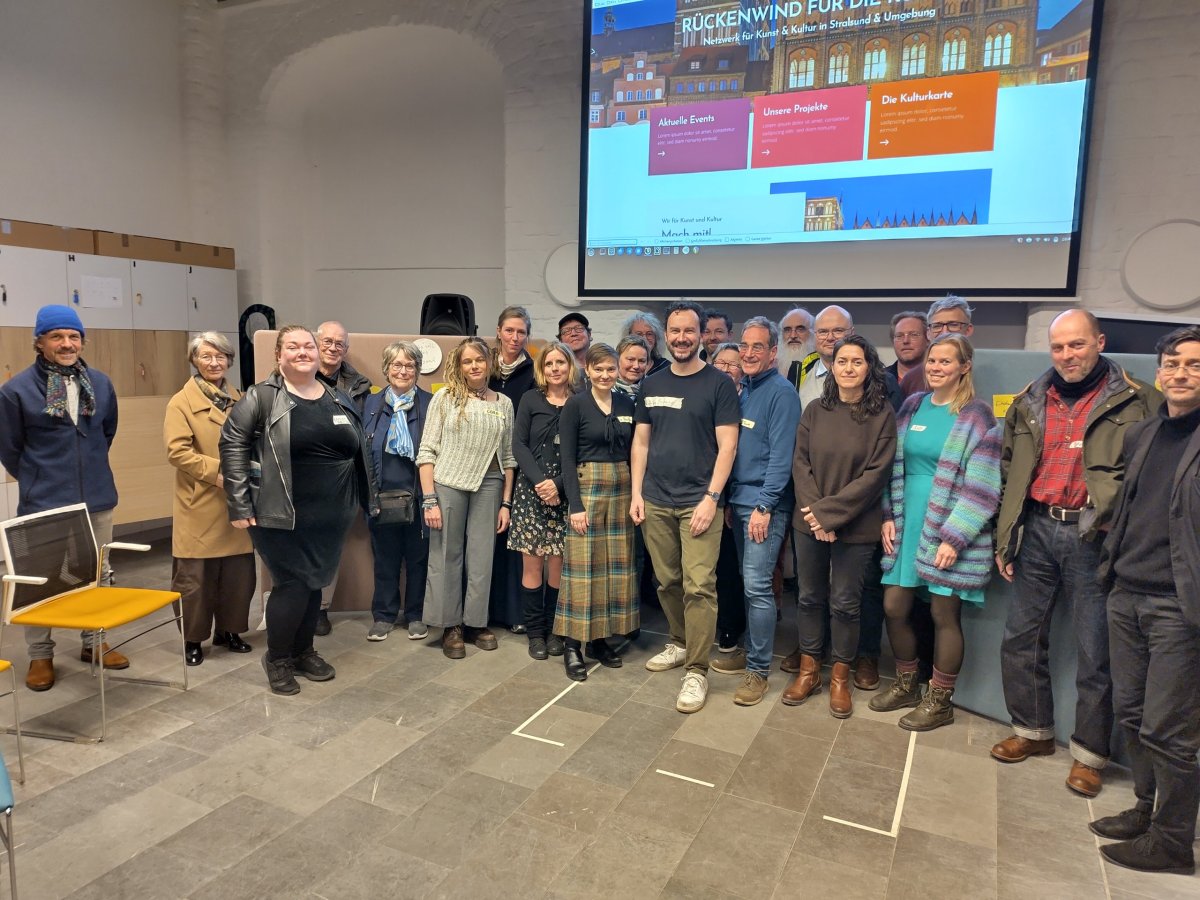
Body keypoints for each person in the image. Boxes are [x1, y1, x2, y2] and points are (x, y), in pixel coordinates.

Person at [990, 309, 1159, 798]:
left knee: (1095, 651)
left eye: (1077, 344)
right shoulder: (1029, 399)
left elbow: (1151, 477)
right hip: (1037, 528)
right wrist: (1007, 534)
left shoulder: (1140, 400)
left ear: (1099, 342)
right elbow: (1009, 469)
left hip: (1094, 538)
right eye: (1059, 346)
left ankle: (1089, 756)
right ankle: (1032, 731)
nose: (1067, 355)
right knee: (1021, 639)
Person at [1093, 326, 1200, 875]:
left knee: (1170, 730)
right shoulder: (1144, 433)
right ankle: (1145, 808)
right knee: (1131, 714)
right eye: (1172, 363)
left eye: (1194, 364)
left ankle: (1174, 841)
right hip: (1127, 592)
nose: (1180, 373)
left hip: (1179, 607)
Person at [220, 325, 372, 695]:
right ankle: (278, 658)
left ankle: (304, 652)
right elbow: (232, 444)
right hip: (280, 512)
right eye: (293, 347)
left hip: (330, 515)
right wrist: (238, 502)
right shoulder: (262, 397)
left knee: (314, 583)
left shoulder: (337, 397)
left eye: (308, 346)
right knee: (292, 585)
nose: (303, 352)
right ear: (279, 355)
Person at [871, 335, 1001, 730]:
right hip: (907, 523)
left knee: (944, 613)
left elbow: (983, 488)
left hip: (949, 529)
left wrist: (954, 537)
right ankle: (908, 684)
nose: (936, 367)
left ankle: (940, 701)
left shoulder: (977, 416)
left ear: (965, 366)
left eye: (946, 361)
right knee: (894, 606)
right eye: (932, 361)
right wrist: (888, 514)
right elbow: (893, 466)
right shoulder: (913, 405)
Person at [0, 304, 129, 691]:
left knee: (99, 573)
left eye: (74, 336)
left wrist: (87, 469)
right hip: (44, 501)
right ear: (39, 342)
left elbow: (106, 433)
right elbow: (9, 447)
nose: (67, 344)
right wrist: (40, 477)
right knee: (40, 581)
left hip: (97, 497)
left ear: (82, 342)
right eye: (56, 336)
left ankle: (95, 641)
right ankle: (40, 654)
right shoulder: (16, 391)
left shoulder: (100, 384)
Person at [632, 300, 740, 714]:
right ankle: (679, 642)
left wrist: (712, 499)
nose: (681, 338)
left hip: (699, 503)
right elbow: (641, 442)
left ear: (700, 335)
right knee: (667, 581)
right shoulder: (652, 382)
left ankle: (696, 669)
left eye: (689, 331)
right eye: (675, 331)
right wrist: (637, 493)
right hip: (656, 500)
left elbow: (728, 446)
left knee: (699, 586)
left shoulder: (719, 384)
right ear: (666, 335)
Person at [783, 335, 896, 718]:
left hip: (856, 525)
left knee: (846, 604)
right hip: (809, 521)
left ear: (869, 368)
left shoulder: (882, 415)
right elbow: (800, 464)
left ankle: (839, 679)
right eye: (842, 361)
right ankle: (809, 671)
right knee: (809, 598)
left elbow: (876, 475)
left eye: (857, 362)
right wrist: (817, 515)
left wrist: (830, 515)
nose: (848, 368)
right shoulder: (815, 410)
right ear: (832, 367)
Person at [712, 318, 800, 707]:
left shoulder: (781, 393)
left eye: (757, 347)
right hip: (741, 501)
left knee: (759, 586)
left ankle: (758, 671)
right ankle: (751, 652)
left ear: (773, 352)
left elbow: (782, 456)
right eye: (744, 346)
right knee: (749, 585)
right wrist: (733, 500)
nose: (748, 353)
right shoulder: (745, 389)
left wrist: (764, 506)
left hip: (764, 505)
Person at [416, 337, 517, 659]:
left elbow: (509, 457)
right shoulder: (445, 398)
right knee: (446, 554)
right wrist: (429, 499)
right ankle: (450, 626)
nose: (474, 366)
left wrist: (506, 502)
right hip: (448, 483)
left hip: (490, 484)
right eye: (467, 361)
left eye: (479, 360)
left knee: (482, 556)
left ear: (490, 363)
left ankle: (475, 623)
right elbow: (427, 451)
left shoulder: (503, 403)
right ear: (459, 366)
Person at [164, 332, 256, 666]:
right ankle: (193, 639)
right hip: (201, 500)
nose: (214, 363)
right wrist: (219, 473)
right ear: (194, 360)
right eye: (206, 356)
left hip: (237, 500)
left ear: (229, 360)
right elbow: (177, 452)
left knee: (237, 575)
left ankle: (230, 631)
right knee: (195, 579)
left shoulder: (242, 399)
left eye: (220, 356)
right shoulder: (180, 402)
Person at [557, 344, 638, 681]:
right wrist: (575, 505)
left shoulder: (627, 403)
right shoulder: (575, 405)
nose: (605, 375)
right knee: (583, 569)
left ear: (618, 370)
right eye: (599, 369)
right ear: (587, 370)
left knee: (613, 567)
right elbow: (567, 458)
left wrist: (636, 496)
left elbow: (635, 450)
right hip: (587, 488)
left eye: (611, 369)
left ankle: (600, 639)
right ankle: (572, 645)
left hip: (621, 488)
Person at [509, 342, 581, 660]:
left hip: (565, 492)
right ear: (542, 369)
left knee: (557, 565)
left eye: (560, 362)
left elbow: (582, 451)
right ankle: (535, 633)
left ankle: (554, 631)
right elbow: (519, 445)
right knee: (533, 564)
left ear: (570, 366)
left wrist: (559, 485)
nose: (555, 368)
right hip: (532, 490)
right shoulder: (530, 399)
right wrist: (541, 483)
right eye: (549, 363)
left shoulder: (580, 401)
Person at [360, 341, 432, 641]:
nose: (403, 371)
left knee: (418, 561)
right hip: (381, 498)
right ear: (386, 369)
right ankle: (384, 616)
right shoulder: (371, 404)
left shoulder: (431, 404)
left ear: (417, 370)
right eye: (397, 365)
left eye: (410, 365)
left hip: (420, 499)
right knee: (385, 561)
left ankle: (416, 615)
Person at [313, 320, 372, 636]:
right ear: (316, 342)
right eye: (327, 341)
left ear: (346, 349)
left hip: (342, 478)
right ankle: (298, 604)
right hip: (303, 476)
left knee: (331, 543)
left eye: (339, 343)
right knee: (298, 545)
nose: (333, 348)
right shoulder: (294, 378)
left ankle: (320, 607)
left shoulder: (358, 386)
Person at [488, 306, 536, 634]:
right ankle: (486, 611)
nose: (515, 337)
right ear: (499, 331)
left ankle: (515, 612)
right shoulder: (484, 366)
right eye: (510, 330)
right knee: (487, 537)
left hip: (520, 463)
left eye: (521, 332)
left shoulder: (534, 373)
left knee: (515, 540)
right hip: (485, 463)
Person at [708, 343, 747, 657]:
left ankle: (731, 625)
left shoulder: (748, 400)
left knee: (730, 567)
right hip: (706, 491)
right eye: (720, 362)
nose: (725, 368)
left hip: (737, 494)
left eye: (733, 364)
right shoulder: (705, 395)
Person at [899, 296, 975, 397]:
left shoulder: (987, 374)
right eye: (937, 326)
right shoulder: (911, 380)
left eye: (953, 325)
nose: (945, 332)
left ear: (968, 330)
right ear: (928, 333)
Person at [778, 306, 818, 392]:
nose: (793, 336)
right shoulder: (772, 368)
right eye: (787, 330)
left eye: (800, 329)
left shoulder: (822, 367)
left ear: (813, 333)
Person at [619, 311, 670, 376]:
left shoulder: (665, 368)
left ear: (656, 337)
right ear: (628, 336)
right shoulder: (617, 366)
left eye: (649, 334)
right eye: (639, 334)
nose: (644, 338)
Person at [886, 311, 929, 383]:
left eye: (914, 335)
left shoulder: (938, 379)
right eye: (899, 336)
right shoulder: (877, 379)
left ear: (927, 339)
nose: (905, 341)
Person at [615, 335, 650, 399]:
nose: (636, 366)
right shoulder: (604, 389)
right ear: (617, 359)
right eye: (630, 359)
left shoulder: (654, 388)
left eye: (642, 361)